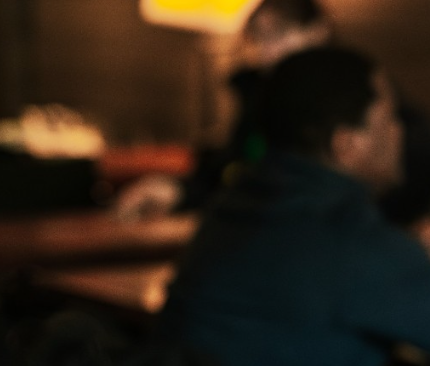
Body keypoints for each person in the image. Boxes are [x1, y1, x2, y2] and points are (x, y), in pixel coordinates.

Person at [158, 46, 430, 366]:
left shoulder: (231, 211)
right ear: (346, 143)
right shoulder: (350, 240)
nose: (401, 130)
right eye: (389, 117)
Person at [114, 0, 332, 219]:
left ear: (317, 32)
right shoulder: (257, 98)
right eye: (259, 38)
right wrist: (177, 190)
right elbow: (231, 173)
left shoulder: (342, 106)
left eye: (279, 34)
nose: (268, 51)